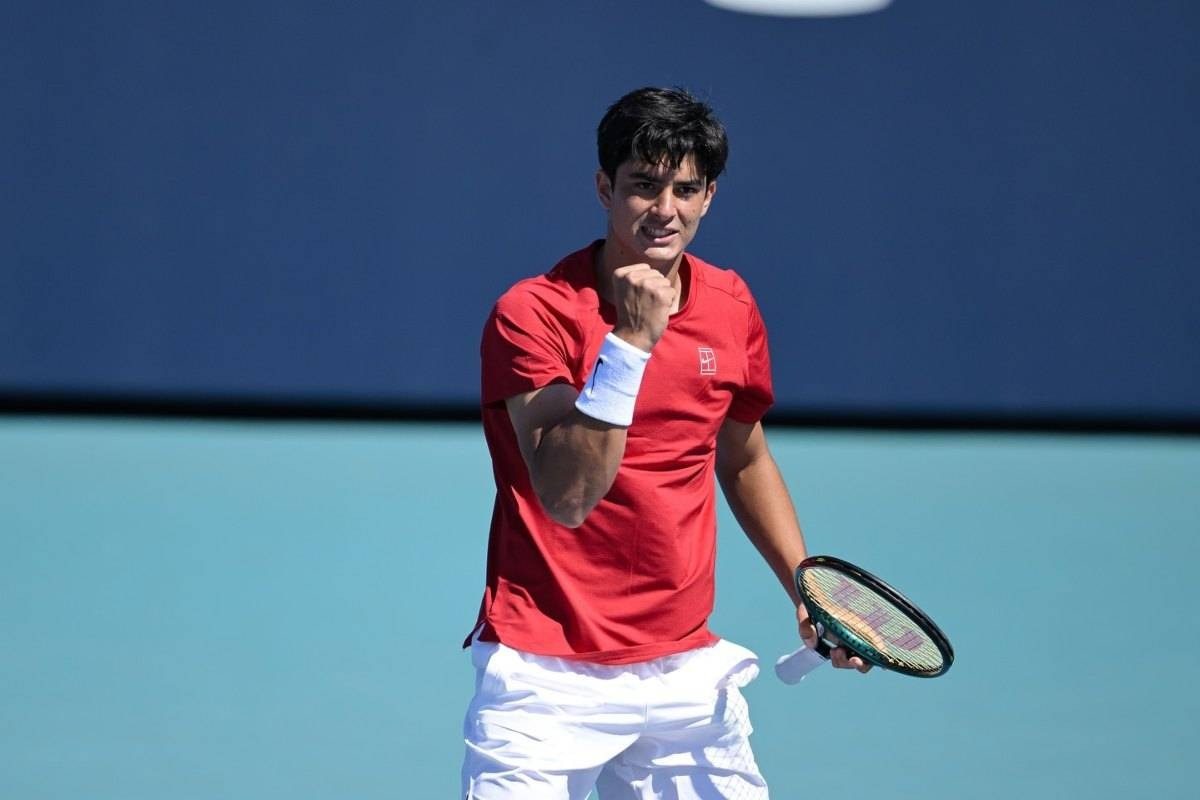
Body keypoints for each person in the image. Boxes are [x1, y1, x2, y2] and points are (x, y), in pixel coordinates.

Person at [461, 86, 869, 800]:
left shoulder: (732, 305)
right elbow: (566, 496)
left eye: (686, 189)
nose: (665, 210)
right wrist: (632, 344)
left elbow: (742, 458)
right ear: (603, 187)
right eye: (644, 186)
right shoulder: (533, 315)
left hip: (683, 673)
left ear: (710, 195)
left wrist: (806, 586)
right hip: (542, 672)